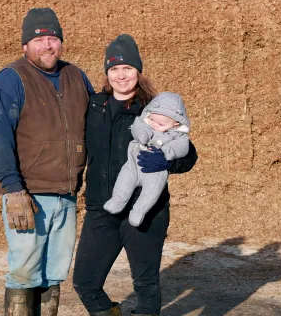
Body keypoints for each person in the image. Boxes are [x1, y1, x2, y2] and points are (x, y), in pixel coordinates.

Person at [73, 34, 198, 316]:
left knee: (145, 285)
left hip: (146, 210)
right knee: (85, 282)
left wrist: (164, 161)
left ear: (138, 71)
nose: (121, 75)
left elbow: (189, 154)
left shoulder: (155, 108)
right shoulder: (93, 106)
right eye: (114, 69)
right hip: (101, 208)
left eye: (128, 68)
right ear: (106, 73)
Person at [0, 7, 94, 316]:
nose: (47, 45)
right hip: (28, 196)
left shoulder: (75, 76)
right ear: (25, 46)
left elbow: (96, 124)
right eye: (39, 39)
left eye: (53, 38)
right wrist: (13, 189)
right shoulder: (12, 78)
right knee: (24, 272)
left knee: (54, 273)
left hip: (66, 194)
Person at [104, 91, 191, 227]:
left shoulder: (178, 136)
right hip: (134, 163)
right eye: (152, 120)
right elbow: (138, 127)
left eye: (160, 124)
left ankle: (139, 211)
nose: (154, 125)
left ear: (176, 124)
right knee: (124, 180)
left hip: (155, 171)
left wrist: (167, 153)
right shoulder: (144, 121)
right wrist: (142, 134)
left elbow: (183, 147)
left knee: (151, 192)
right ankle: (117, 200)